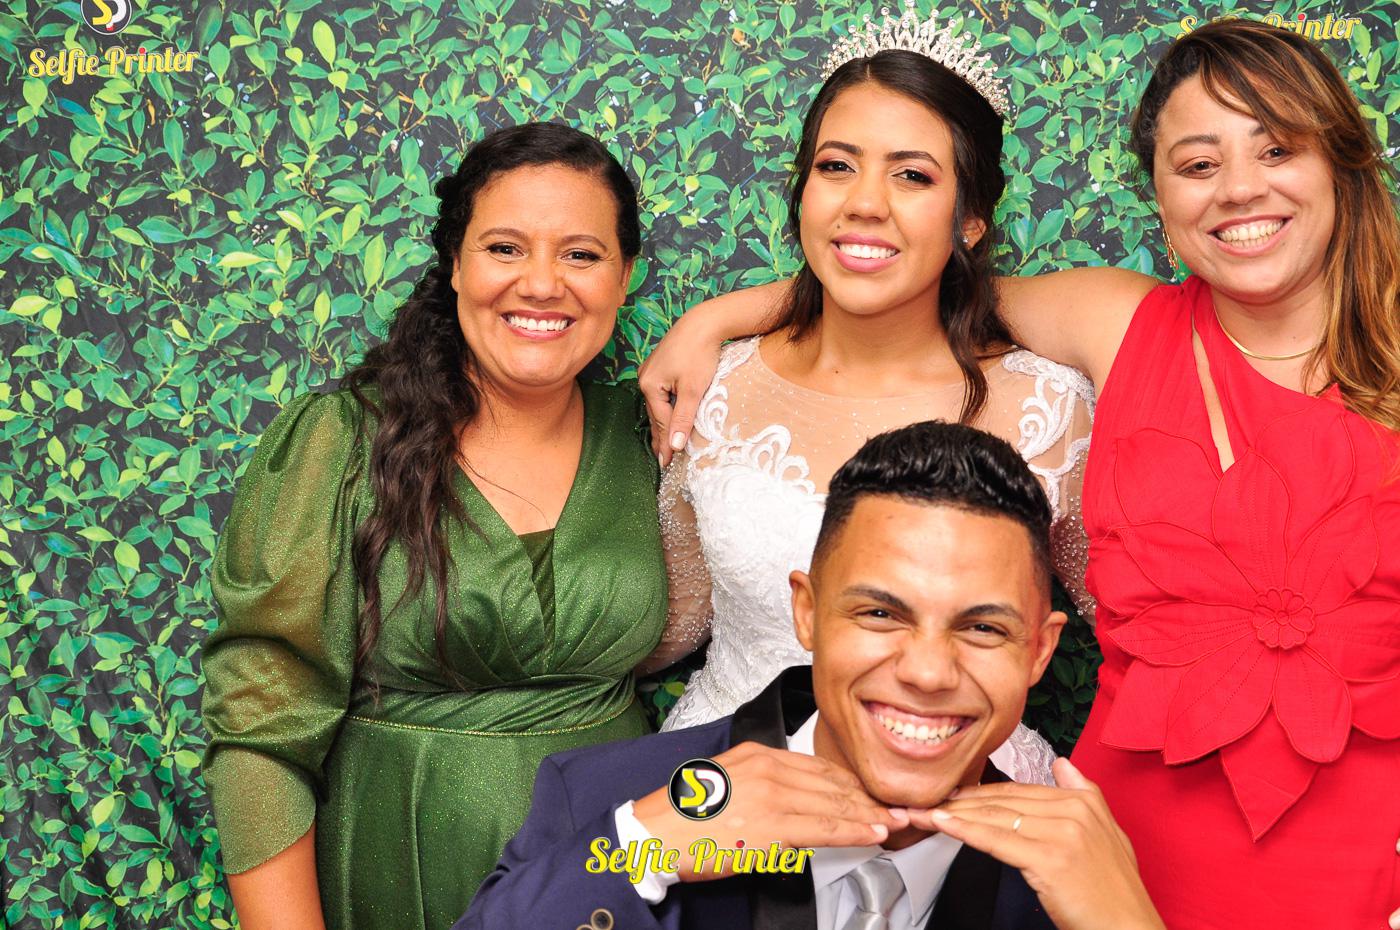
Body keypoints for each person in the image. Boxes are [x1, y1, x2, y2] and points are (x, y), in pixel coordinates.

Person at [641, 19, 1400, 930]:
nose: (1239, 188)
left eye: (1276, 149)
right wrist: (718, 321)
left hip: (1356, 850)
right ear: (1160, 197)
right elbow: (905, 276)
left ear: (1343, 161)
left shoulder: (1084, 362)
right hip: (1112, 846)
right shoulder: (1118, 321)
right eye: (1199, 164)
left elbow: (917, 259)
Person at [200, 123, 667, 930]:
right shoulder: (342, 440)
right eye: (505, 248)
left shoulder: (651, 436)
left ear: (625, 277)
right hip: (402, 875)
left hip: (618, 880)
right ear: (454, 263)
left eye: (582, 255)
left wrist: (719, 320)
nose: (542, 283)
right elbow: (261, 736)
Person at [460, 421, 1164, 930]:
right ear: (808, 613)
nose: (927, 672)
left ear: (1038, 651)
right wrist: (646, 848)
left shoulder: (1073, 885)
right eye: (881, 614)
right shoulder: (609, 799)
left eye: (982, 628)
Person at [641, 8, 1093, 794]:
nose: (864, 203)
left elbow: (1144, 629)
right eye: (836, 166)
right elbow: (671, 622)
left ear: (970, 221)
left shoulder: (1049, 409)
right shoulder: (715, 387)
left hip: (963, 802)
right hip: (726, 789)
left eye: (912, 175)